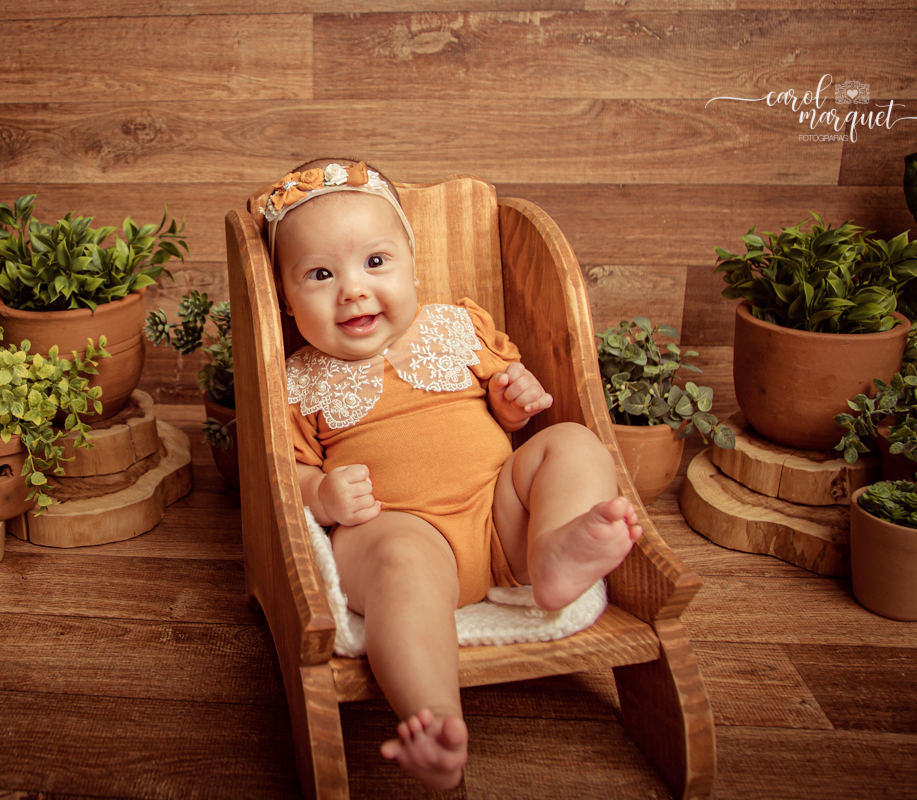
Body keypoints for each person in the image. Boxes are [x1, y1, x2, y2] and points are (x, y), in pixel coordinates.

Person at [257, 158, 643, 791]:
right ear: (285, 295)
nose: (353, 290)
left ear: (412, 261)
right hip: (403, 531)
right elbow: (288, 476)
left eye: (375, 263)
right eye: (321, 274)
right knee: (399, 568)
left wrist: (513, 401)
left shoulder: (457, 328)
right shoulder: (299, 380)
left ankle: (553, 554)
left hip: (499, 515)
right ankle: (433, 720)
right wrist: (321, 495)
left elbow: (507, 410)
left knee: (571, 443)